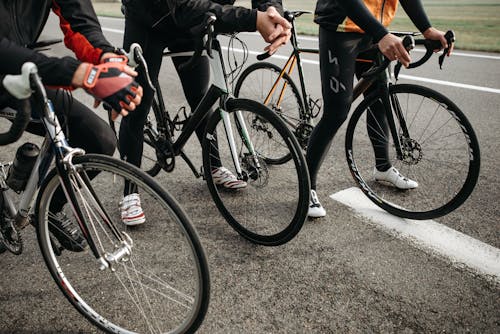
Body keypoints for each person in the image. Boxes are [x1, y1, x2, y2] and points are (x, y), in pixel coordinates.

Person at [118, 0, 291, 225]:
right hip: (150, 17)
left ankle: (214, 166)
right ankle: (129, 190)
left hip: (192, 20)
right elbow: (181, 7)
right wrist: (253, 19)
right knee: (137, 104)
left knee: (201, 97)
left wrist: (272, 12)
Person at [0, 0, 143, 250]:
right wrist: (81, 74)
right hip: (12, 65)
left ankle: (48, 209)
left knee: (100, 139)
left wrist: (106, 59)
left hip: (21, 74)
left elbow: (79, 18)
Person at [307, 0, 454, 218]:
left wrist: (427, 28)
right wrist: (381, 33)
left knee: (379, 99)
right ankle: (307, 186)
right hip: (341, 29)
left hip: (374, 30)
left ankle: (382, 168)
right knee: (336, 113)